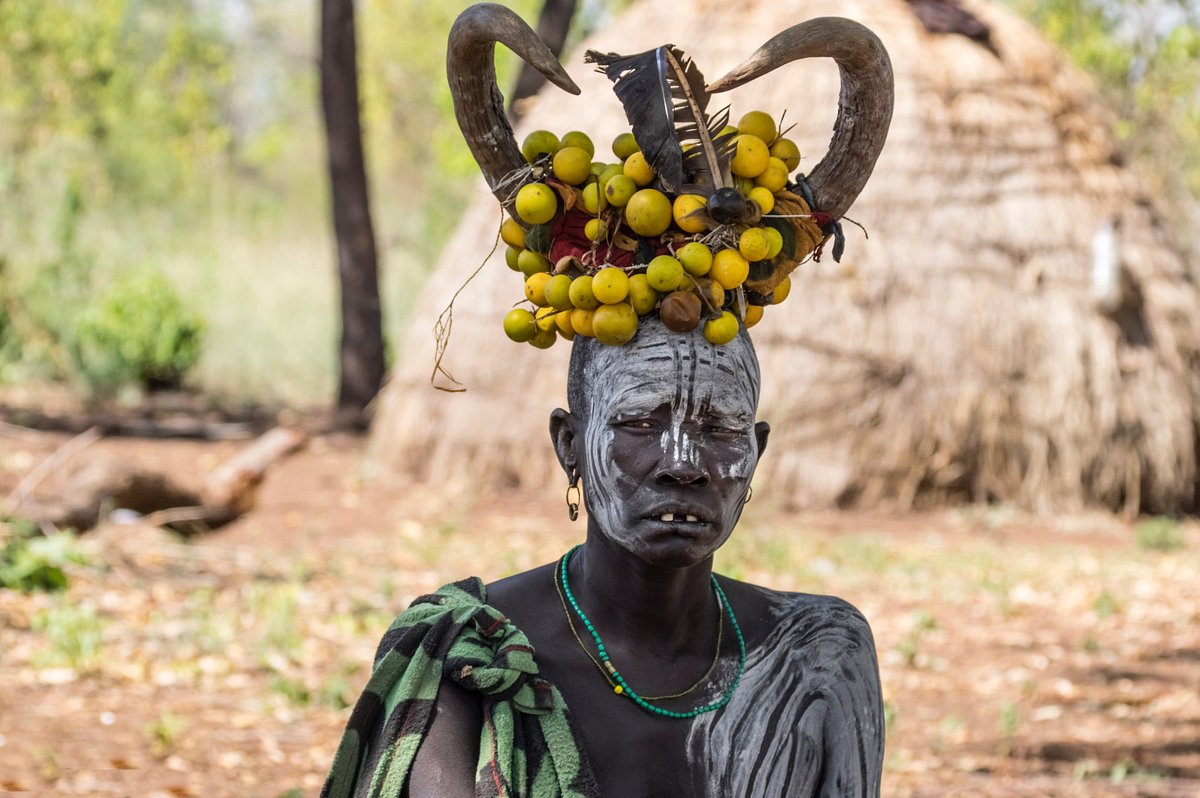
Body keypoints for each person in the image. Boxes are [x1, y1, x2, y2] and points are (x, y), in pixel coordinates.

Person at [323, 6, 892, 796]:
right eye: (639, 422)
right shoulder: (465, 657)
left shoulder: (816, 656)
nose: (683, 462)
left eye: (719, 426)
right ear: (569, 444)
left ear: (757, 450)